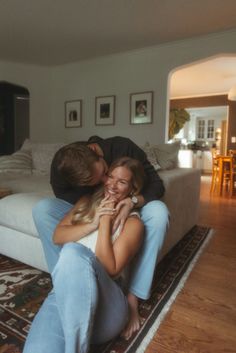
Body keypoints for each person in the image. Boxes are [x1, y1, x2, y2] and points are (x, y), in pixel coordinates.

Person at [32, 135, 169, 338]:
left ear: (96, 151)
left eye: (106, 173)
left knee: (159, 213)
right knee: (42, 209)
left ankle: (133, 297)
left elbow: (157, 186)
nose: (108, 182)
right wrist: (94, 211)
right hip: (95, 204)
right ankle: (62, 284)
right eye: (100, 180)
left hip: (130, 202)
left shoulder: (124, 147)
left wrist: (130, 202)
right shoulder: (61, 170)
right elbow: (72, 207)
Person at [23, 157, 145, 353]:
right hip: (64, 298)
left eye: (121, 182)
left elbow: (111, 269)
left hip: (107, 309)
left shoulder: (133, 224)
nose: (112, 185)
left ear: (132, 189)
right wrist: (93, 223)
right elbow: (57, 235)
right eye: (111, 177)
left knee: (72, 252)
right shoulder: (86, 202)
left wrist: (105, 222)